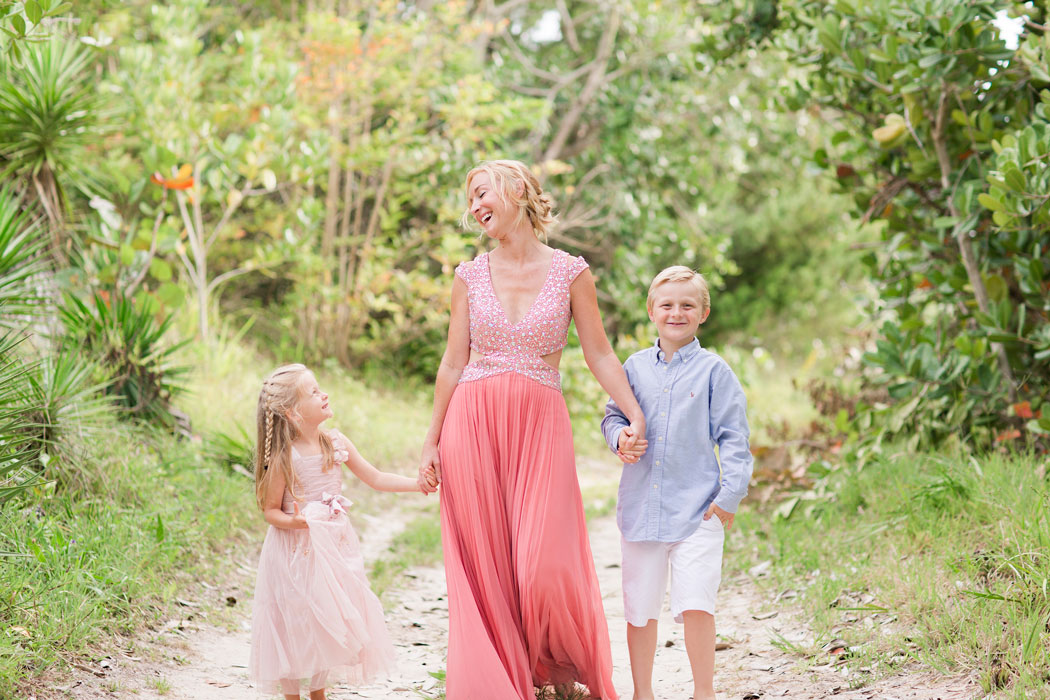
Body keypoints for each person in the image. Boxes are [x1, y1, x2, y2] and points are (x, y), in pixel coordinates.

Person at [416, 159, 646, 699]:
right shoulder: (468, 276)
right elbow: (452, 363)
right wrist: (431, 440)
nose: (474, 206)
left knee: (543, 562)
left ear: (517, 189)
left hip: (540, 425)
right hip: (471, 423)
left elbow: (600, 353)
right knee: (488, 564)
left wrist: (634, 413)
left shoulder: (572, 271)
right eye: (469, 199)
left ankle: (555, 666)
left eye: (481, 192)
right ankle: (505, 681)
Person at [600, 266, 753, 700]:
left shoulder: (714, 371)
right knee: (639, 608)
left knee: (697, 604)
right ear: (651, 310)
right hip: (641, 510)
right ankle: (642, 692)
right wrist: (619, 438)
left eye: (688, 305)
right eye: (667, 304)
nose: (677, 312)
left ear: (703, 313)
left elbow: (735, 437)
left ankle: (703, 692)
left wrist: (729, 497)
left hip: (698, 512)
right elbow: (613, 415)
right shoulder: (633, 368)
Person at [249, 363, 423, 699]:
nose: (324, 394)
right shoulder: (286, 457)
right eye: (314, 392)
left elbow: (376, 478)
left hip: (332, 550)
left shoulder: (335, 442)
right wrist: (298, 522)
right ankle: (291, 695)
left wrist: (418, 485)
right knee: (295, 621)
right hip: (292, 554)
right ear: (294, 412)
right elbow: (270, 510)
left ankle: (319, 693)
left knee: (323, 619)